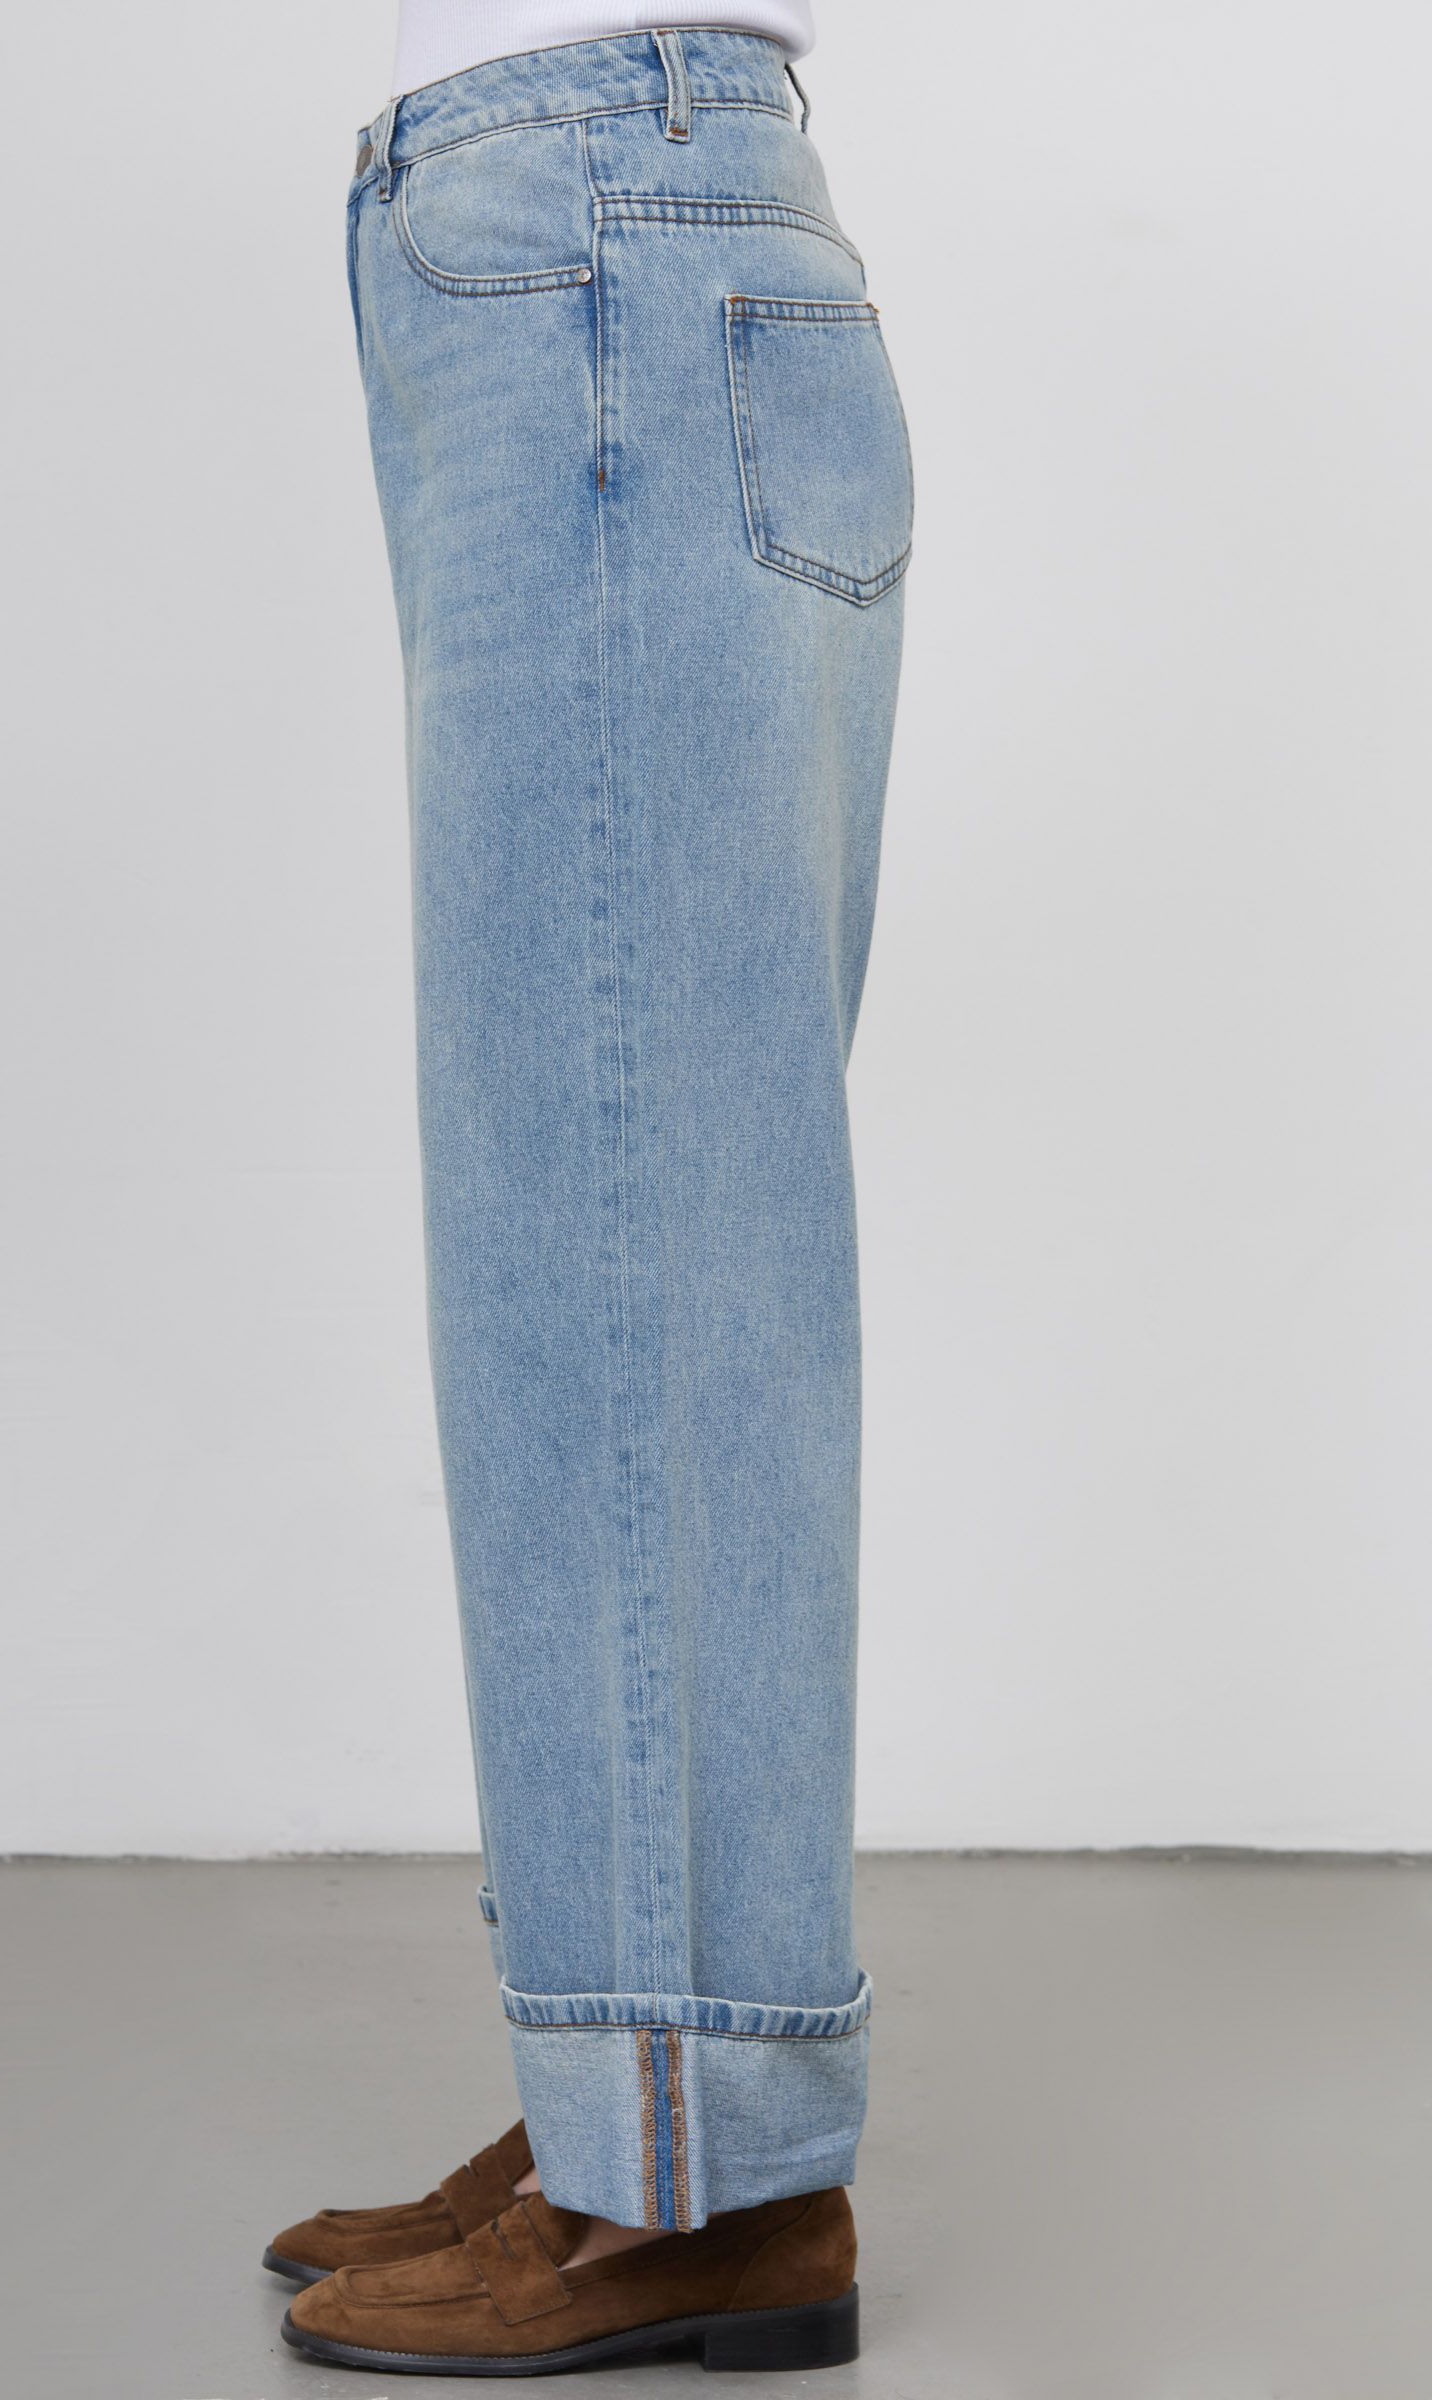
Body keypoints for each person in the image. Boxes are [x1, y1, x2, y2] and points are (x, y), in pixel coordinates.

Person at [271, 3, 911, 2373]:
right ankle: (641, 2102)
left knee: (618, 1262)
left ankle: (685, 2171)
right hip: (608, 236)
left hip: (591, 238)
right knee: (636, 1234)